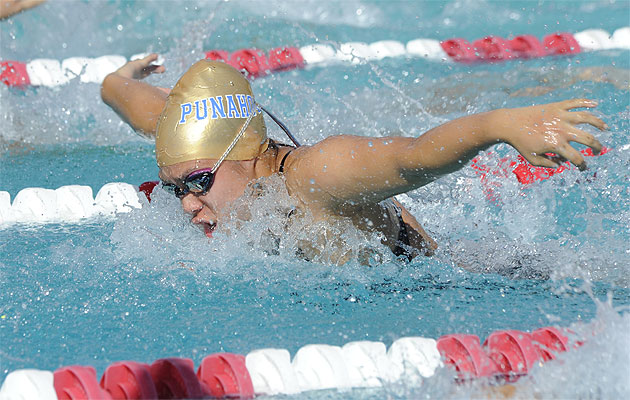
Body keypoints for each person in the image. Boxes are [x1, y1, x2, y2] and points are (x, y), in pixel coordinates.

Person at [101, 54, 606, 264]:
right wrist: (116, 82)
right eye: (175, 189)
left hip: (447, 279)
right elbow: (149, 113)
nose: (186, 204)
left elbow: (414, 158)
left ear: (250, 156)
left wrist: (499, 126)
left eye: (197, 184)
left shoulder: (319, 176)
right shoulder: (204, 156)